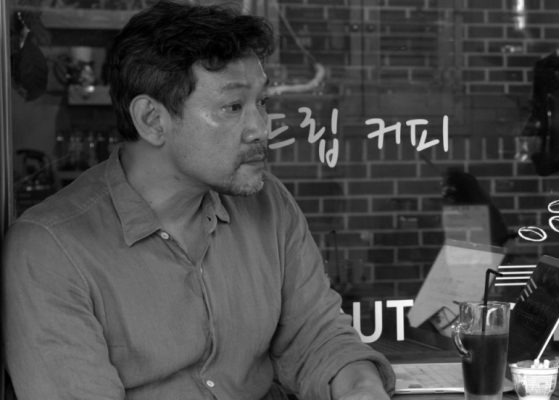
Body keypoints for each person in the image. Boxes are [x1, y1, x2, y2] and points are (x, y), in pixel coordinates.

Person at [2, 2, 394, 399]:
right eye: (233, 107)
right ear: (152, 120)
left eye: (262, 102)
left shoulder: (269, 203)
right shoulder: (50, 250)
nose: (262, 129)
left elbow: (317, 336)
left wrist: (361, 388)